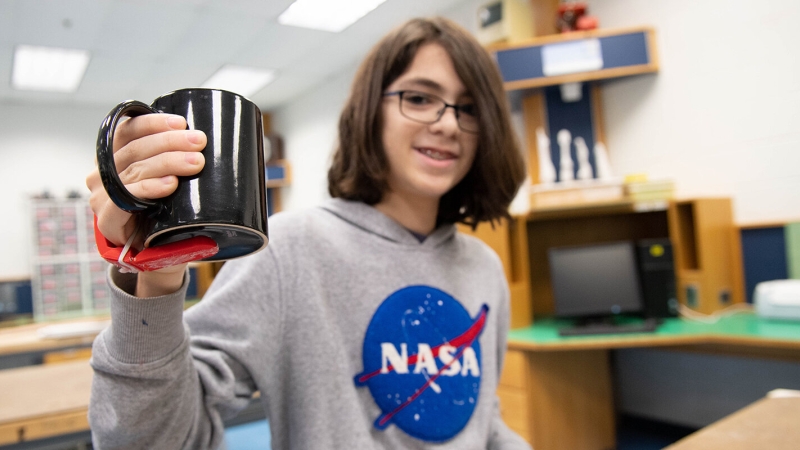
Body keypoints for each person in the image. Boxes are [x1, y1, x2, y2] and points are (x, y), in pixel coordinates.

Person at [86, 17, 530, 450]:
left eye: (468, 108)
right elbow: (152, 440)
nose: (449, 124)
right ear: (370, 111)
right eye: (418, 98)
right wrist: (156, 276)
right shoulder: (290, 249)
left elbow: (481, 421)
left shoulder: (483, 268)